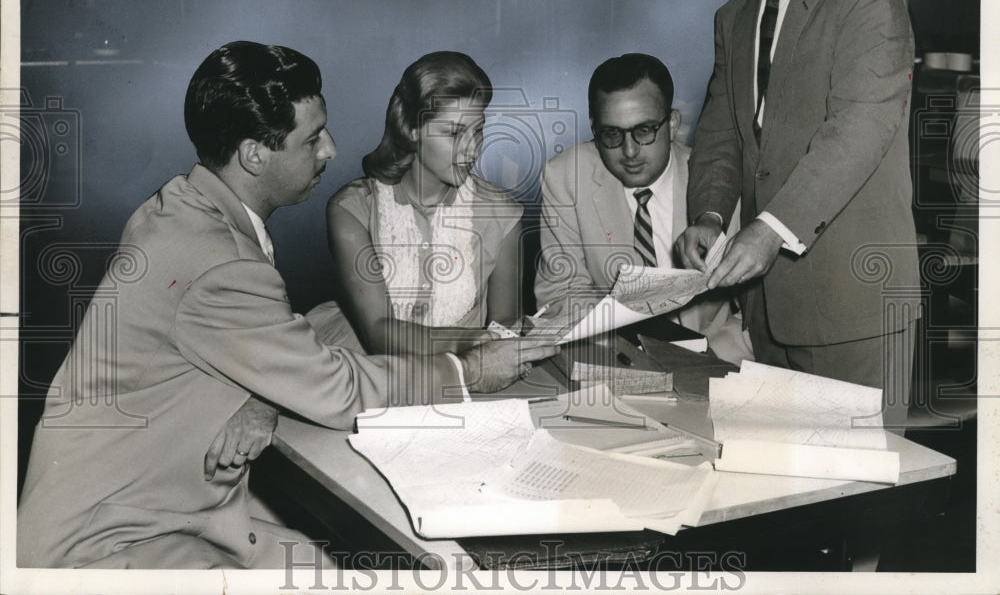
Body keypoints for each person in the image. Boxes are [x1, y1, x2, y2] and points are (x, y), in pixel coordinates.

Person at [17, 42, 556, 569]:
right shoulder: (224, 261)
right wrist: (466, 372)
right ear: (255, 154)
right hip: (111, 541)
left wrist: (260, 394)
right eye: (313, 138)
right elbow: (336, 387)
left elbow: (254, 342)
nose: (331, 150)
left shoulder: (179, 205)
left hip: (158, 502)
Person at [674, 0, 919, 426]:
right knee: (782, 499)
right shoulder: (734, 16)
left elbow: (858, 130)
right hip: (766, 312)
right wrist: (707, 213)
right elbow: (722, 132)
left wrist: (767, 229)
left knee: (860, 504)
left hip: (855, 304)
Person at [534, 53, 752, 364]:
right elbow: (558, 297)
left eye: (645, 130)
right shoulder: (566, 176)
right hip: (612, 358)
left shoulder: (719, 180)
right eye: (612, 134)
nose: (630, 151)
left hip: (715, 357)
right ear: (595, 129)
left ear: (673, 124)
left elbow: (758, 309)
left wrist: (715, 359)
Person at [310, 51, 526, 356]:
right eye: (454, 133)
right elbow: (379, 333)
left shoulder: (503, 215)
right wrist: (471, 341)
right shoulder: (353, 209)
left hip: (463, 375)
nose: (473, 148)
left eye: (478, 130)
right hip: (363, 369)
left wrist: (498, 345)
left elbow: (506, 322)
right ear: (411, 130)